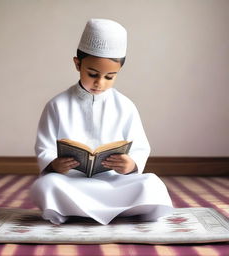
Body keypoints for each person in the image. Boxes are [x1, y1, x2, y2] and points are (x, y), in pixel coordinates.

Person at [30, 18, 173, 225]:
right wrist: (54, 165)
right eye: (93, 74)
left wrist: (130, 164)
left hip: (115, 183)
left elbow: (140, 147)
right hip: (71, 182)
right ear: (78, 64)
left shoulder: (125, 106)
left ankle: (80, 211)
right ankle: (118, 212)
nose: (100, 82)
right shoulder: (57, 105)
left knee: (152, 184)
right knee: (45, 186)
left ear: (119, 72)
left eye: (109, 77)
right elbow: (45, 148)